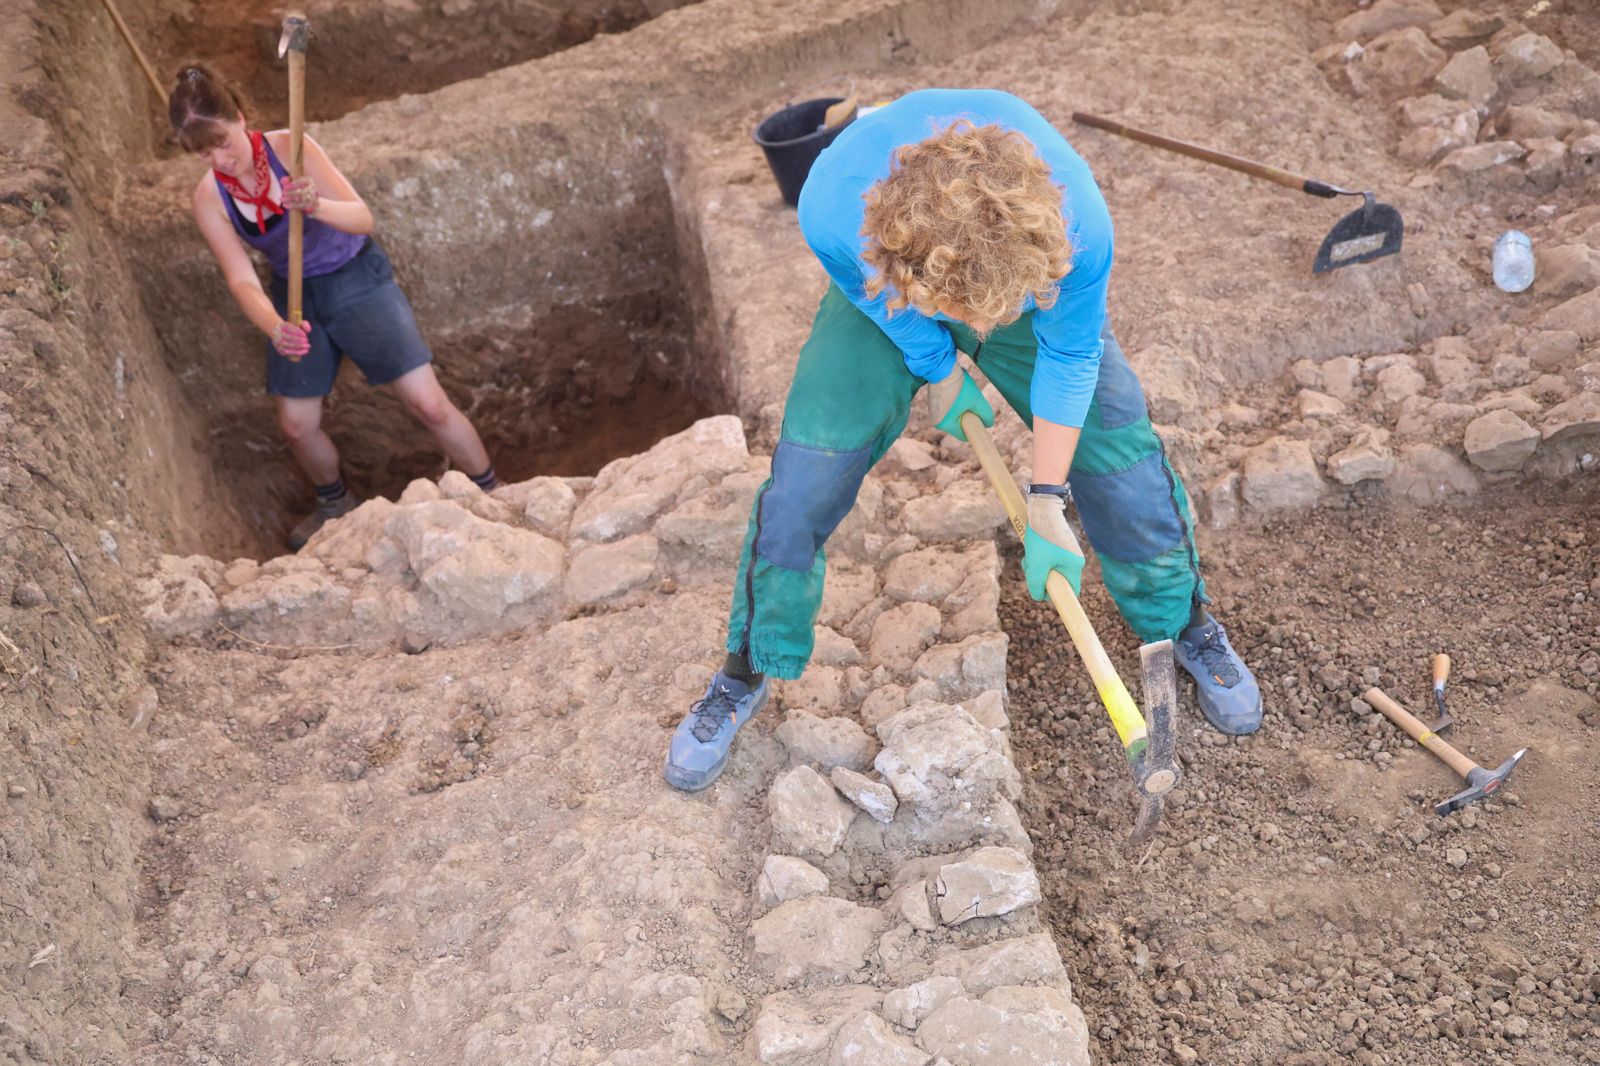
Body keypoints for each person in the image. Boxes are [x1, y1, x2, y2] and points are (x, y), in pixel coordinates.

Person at [664, 88, 1263, 792]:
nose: (974, 331)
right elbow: (876, 294)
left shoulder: (1078, 230)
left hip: (1021, 281)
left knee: (1121, 462)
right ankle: (747, 668)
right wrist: (940, 365)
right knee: (805, 479)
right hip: (897, 295)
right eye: (963, 317)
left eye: (977, 321)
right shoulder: (832, 207)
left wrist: (1046, 500)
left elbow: (1071, 356)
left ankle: (1182, 623)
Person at [167, 62, 500, 549]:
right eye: (202, 153)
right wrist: (275, 326)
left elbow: (362, 218)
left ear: (239, 117)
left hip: (355, 277)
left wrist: (316, 206)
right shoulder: (209, 198)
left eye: (222, 142)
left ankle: (493, 492)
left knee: (428, 403)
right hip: (295, 298)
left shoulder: (292, 149)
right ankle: (335, 502)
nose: (219, 159)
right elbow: (240, 278)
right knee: (296, 425)